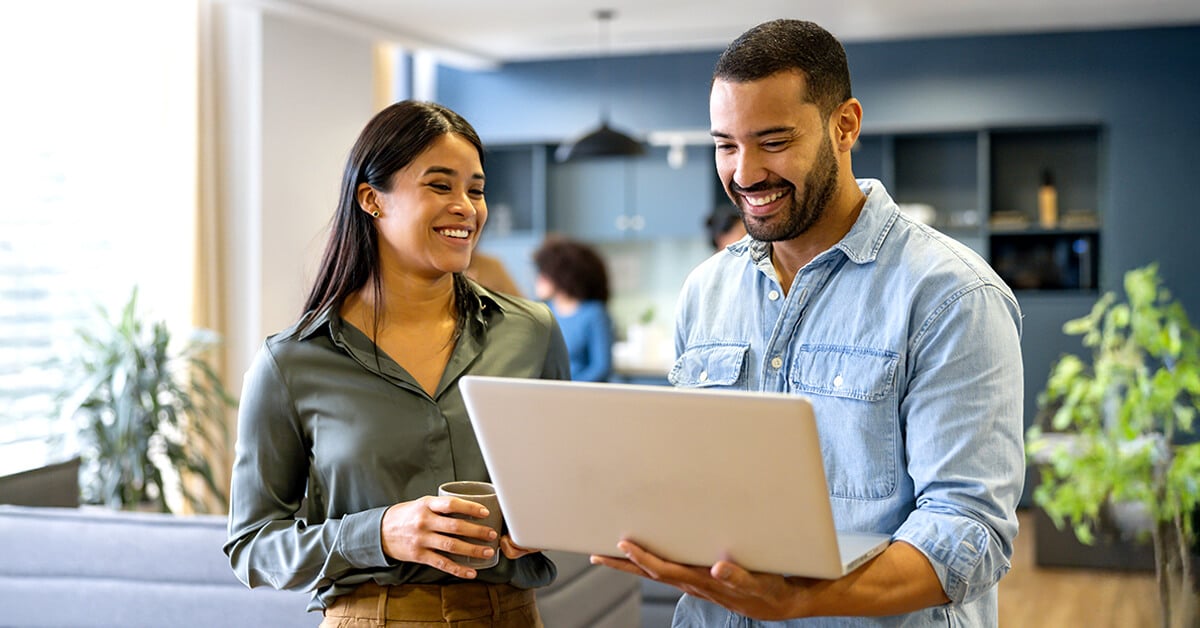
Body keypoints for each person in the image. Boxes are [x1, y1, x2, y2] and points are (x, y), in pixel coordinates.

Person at [590, 19, 1024, 627]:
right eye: (725, 145)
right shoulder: (706, 289)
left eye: (772, 142)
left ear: (844, 126)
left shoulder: (952, 296)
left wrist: (802, 600)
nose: (744, 174)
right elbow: (689, 481)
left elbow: (969, 532)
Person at [224, 100, 570, 627]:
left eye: (475, 190)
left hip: (509, 616)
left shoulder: (530, 332)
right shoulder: (292, 362)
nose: (466, 207)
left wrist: (542, 521)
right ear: (371, 199)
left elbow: (566, 480)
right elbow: (252, 545)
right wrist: (379, 533)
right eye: (440, 185)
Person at [532, 236, 614, 382]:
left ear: (562, 275)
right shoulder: (541, 311)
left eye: (544, 274)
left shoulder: (594, 314)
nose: (539, 279)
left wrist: (568, 391)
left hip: (582, 396)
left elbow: (601, 368)